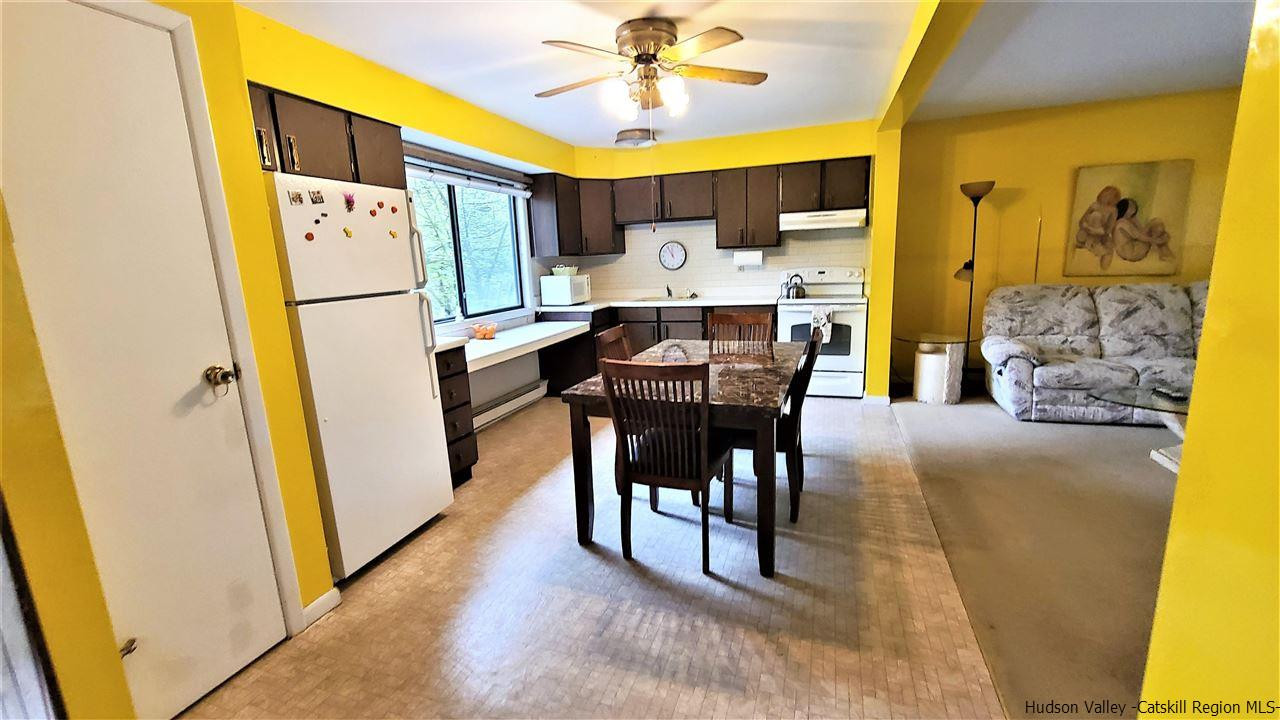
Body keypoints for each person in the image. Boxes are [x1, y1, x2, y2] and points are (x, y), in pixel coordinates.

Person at [1075, 185, 1120, 269]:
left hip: (1100, 236)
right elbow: (1081, 221)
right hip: (1085, 233)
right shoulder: (1094, 206)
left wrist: (1096, 231)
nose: (1104, 197)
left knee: (1109, 250)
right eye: (1104, 194)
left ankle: (1103, 271)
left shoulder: (1113, 211)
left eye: (1107, 196)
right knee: (1096, 215)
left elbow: (1108, 230)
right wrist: (1086, 227)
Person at [1113, 198, 1154, 263]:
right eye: (1132, 206)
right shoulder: (1123, 223)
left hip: (1124, 251)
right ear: (1125, 209)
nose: (1135, 207)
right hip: (1131, 252)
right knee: (1152, 227)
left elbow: (1140, 231)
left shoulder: (1121, 221)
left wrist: (1134, 219)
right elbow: (1139, 236)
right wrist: (1154, 240)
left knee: (1149, 230)